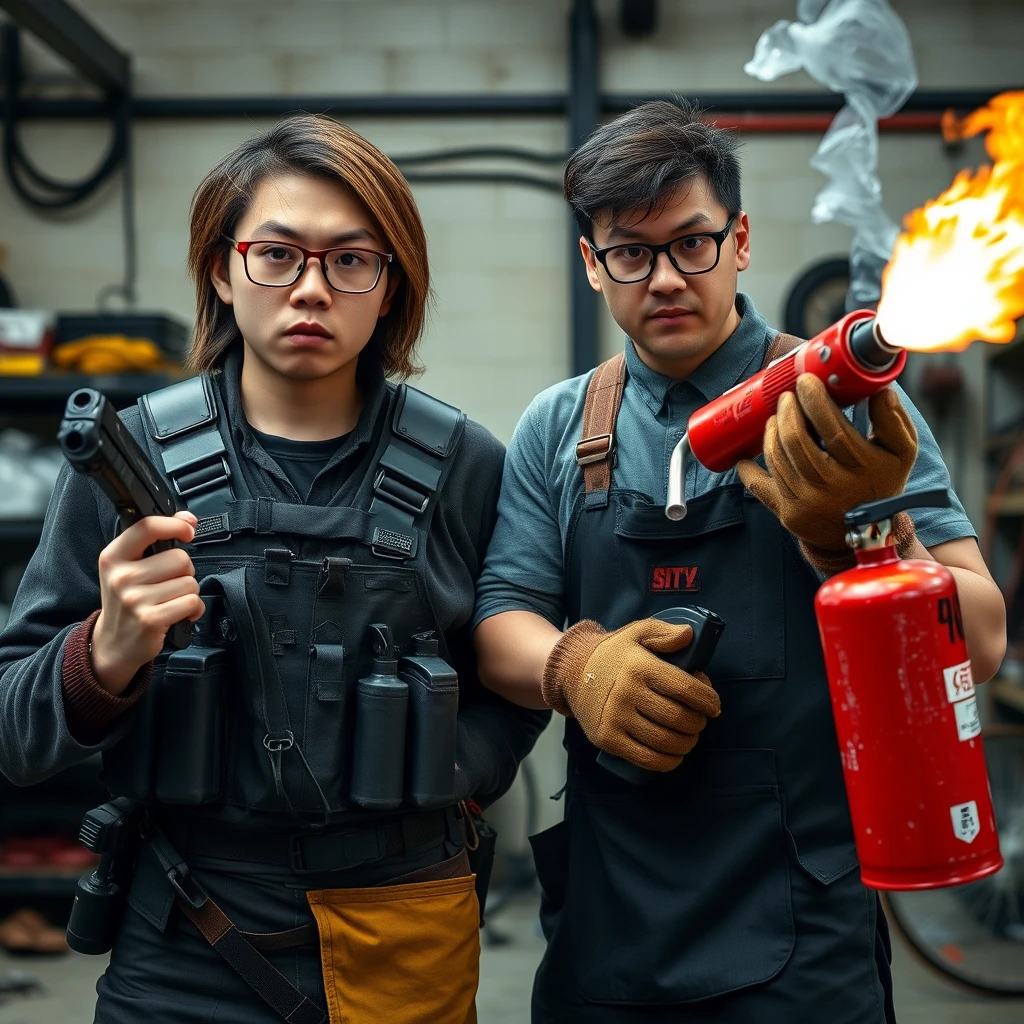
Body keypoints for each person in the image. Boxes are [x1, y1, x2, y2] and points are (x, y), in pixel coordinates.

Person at [0, 114, 549, 1024]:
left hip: (404, 928)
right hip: (181, 933)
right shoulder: (129, 459)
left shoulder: (468, 466)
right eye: (277, 255)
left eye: (349, 260)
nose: (311, 289)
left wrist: (446, 766)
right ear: (223, 269)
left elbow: (513, 679)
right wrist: (103, 655)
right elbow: (14, 731)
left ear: (389, 286)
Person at [473, 100, 1006, 1023]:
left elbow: (982, 638)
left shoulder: (853, 413)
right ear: (593, 265)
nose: (667, 279)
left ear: (742, 239)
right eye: (631, 253)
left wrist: (871, 535)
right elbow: (500, 622)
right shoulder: (560, 428)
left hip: (805, 913)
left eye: (693, 244)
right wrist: (576, 666)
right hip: (615, 917)